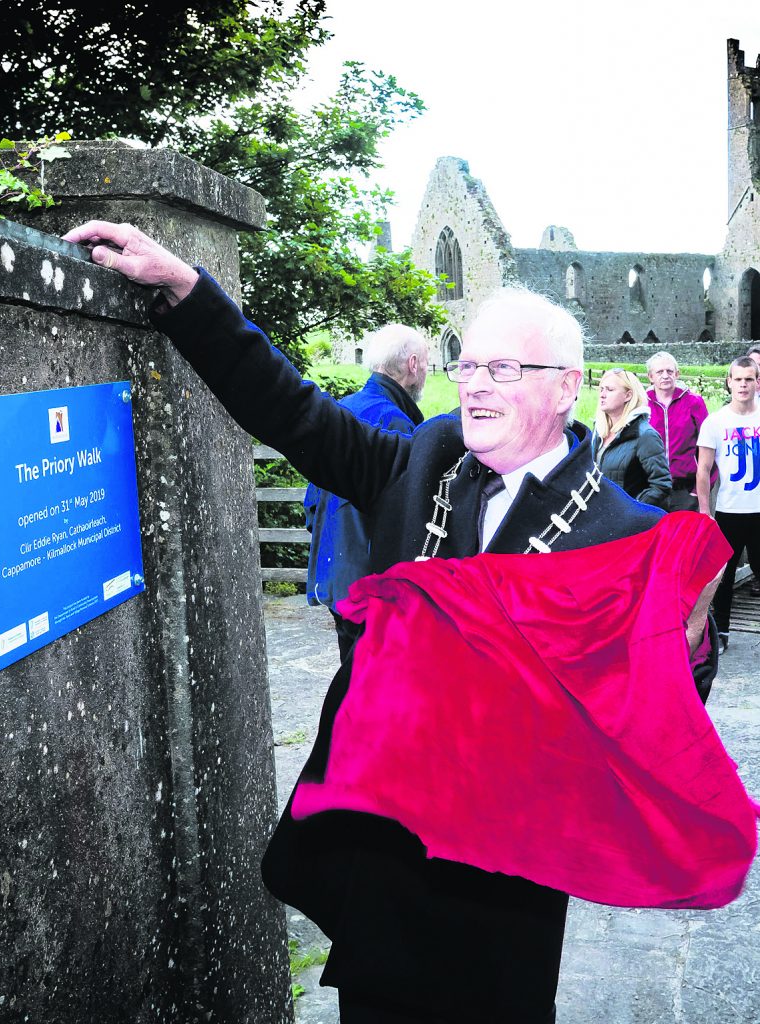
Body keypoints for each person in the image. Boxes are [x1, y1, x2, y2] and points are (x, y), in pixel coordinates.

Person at [62, 221, 722, 1024]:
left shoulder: (622, 533)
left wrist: (683, 648)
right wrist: (190, 294)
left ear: (565, 386)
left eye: (503, 368)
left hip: (501, 882)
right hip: (383, 855)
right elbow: (296, 415)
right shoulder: (426, 460)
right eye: (467, 364)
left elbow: (662, 709)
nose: (474, 384)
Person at [304, 325, 428, 662]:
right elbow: (406, 522)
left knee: (351, 676)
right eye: (427, 365)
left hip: (336, 579)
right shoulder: (395, 422)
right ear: (413, 364)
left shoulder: (342, 408)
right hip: (372, 588)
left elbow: (312, 501)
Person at [697, 356, 760, 648]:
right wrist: (704, 512)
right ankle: (721, 632)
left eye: (749, 379)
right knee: (723, 575)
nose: (744, 385)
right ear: (729, 382)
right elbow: (704, 469)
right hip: (729, 510)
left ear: (757, 382)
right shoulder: (716, 422)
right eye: (738, 379)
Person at [591, 368, 671, 507]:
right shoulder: (597, 432)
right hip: (599, 518)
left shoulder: (645, 435)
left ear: (628, 395)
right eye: (601, 389)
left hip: (631, 524)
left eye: (610, 390)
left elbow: (661, 485)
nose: (602, 395)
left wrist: (631, 509)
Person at [646, 351, 711, 511]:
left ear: (677, 373)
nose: (665, 376)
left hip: (685, 490)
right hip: (651, 488)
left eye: (669, 371)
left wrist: (698, 490)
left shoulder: (694, 402)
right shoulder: (641, 404)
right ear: (650, 377)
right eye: (659, 372)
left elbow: (708, 447)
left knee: (686, 536)